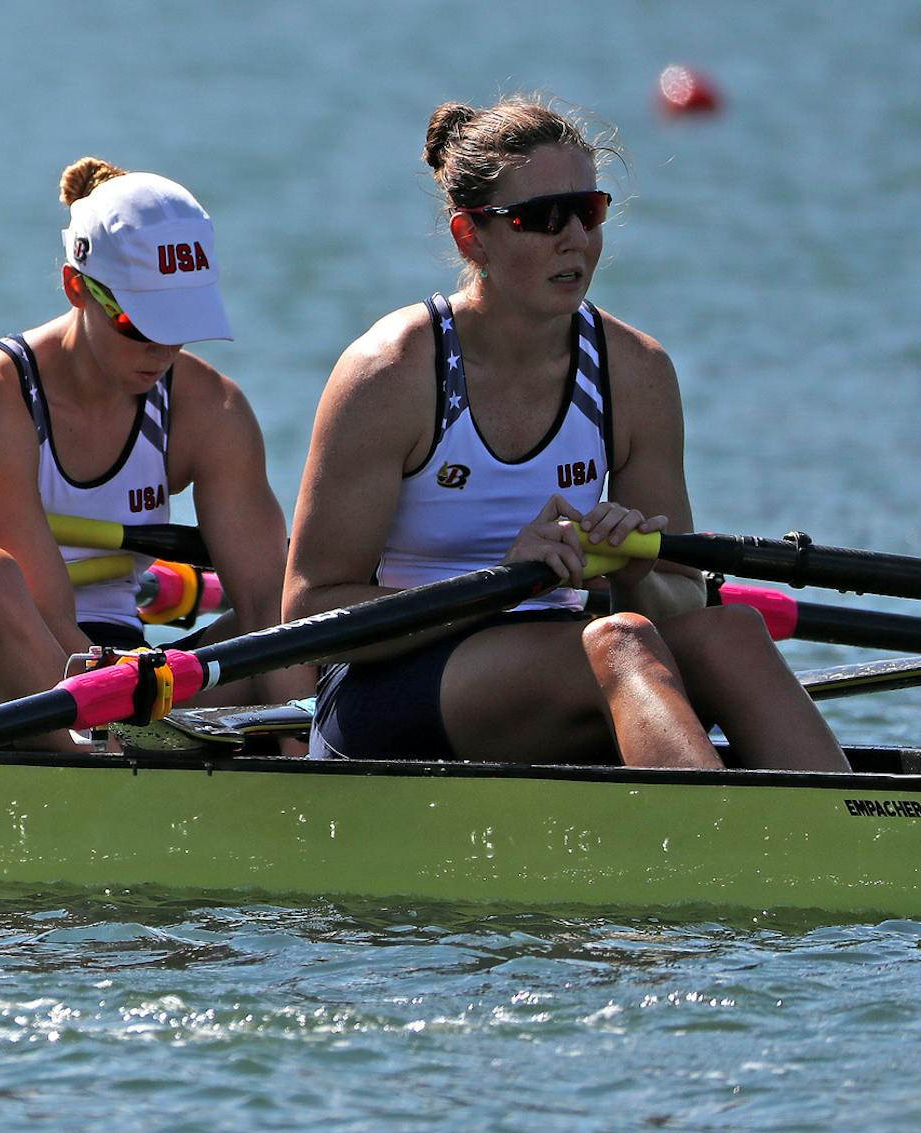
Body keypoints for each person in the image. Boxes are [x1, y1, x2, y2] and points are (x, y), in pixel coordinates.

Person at [282, 96, 848, 771]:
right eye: (540, 218)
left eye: (588, 211)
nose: (573, 238)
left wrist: (639, 571)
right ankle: (715, 859)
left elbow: (679, 596)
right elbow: (309, 613)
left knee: (732, 632)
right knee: (622, 643)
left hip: (570, 659)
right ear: (472, 237)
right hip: (389, 692)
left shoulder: (635, 372)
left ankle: (864, 845)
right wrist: (502, 583)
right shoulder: (392, 373)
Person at [0, 158, 307, 749]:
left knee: (289, 624)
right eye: (139, 323)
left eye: (180, 323)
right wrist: (128, 722)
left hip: (120, 672)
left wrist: (296, 756)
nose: (161, 349)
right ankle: (101, 788)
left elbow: (263, 605)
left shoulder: (212, 408)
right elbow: (47, 613)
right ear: (76, 286)